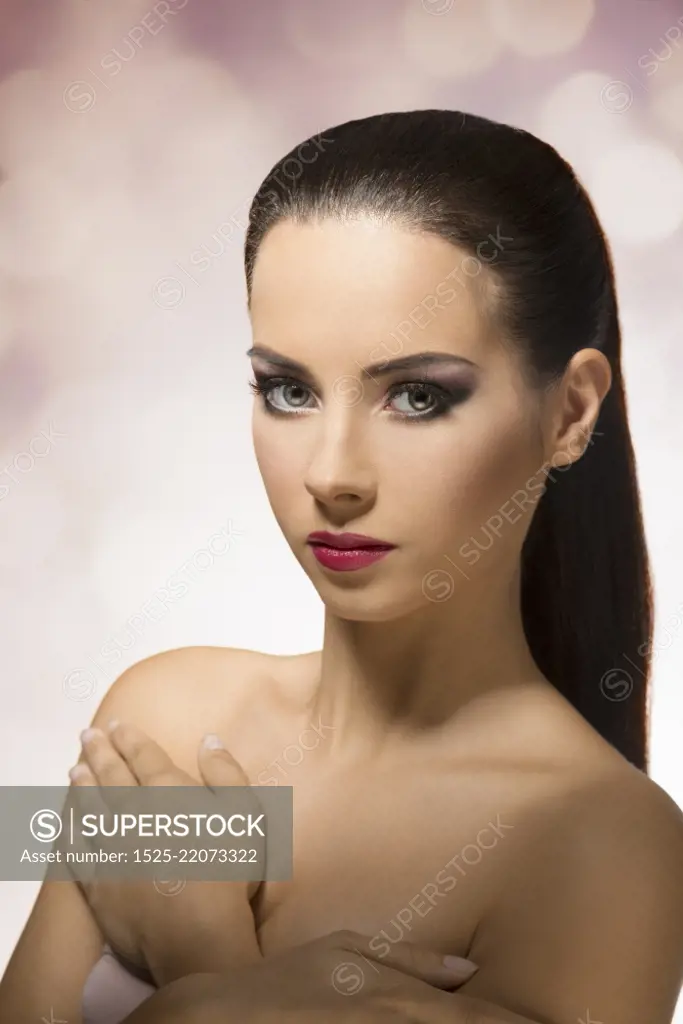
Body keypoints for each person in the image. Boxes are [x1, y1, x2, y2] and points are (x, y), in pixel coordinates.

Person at [2, 108, 683, 1024]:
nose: (330, 475)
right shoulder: (164, 715)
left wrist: (209, 983)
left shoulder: (604, 844)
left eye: (415, 395)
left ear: (568, 412)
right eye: (287, 390)